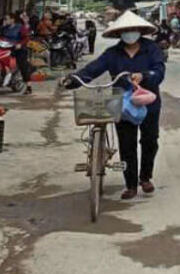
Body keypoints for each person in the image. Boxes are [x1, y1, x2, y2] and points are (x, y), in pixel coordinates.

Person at [65, 11, 166, 199]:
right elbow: (93, 69)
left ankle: (145, 177)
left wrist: (144, 75)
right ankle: (130, 185)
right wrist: (74, 79)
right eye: (125, 30)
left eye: (133, 29)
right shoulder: (112, 53)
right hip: (121, 103)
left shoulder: (151, 49)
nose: (129, 33)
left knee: (150, 140)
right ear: (119, 33)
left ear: (139, 30)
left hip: (148, 101)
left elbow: (159, 71)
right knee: (127, 143)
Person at [0, 12, 33, 95]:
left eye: (6, 19)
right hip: (7, 48)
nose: (5, 21)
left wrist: (20, 44)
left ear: (12, 20)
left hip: (19, 49)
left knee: (23, 65)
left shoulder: (20, 27)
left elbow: (26, 38)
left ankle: (28, 86)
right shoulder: (4, 28)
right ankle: (3, 77)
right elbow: (0, 36)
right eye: (4, 19)